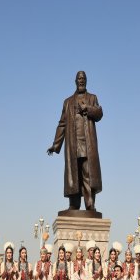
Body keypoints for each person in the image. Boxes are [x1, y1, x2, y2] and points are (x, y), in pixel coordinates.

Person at [47, 71, 104, 211]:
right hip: (73, 145)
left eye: (83, 78)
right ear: (75, 81)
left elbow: (99, 113)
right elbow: (62, 124)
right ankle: (74, 204)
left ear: (86, 81)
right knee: (74, 175)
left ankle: (90, 204)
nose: (81, 80)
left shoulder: (92, 98)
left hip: (87, 143)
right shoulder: (67, 102)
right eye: (79, 78)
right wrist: (55, 145)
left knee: (87, 173)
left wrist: (87, 109)